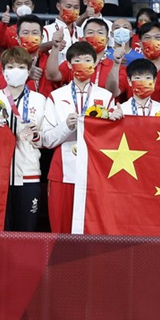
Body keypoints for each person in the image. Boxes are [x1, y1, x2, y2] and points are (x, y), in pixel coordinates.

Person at [42, 42, 115, 233]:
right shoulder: (56, 97)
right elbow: (47, 140)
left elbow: (112, 138)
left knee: (92, 229)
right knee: (62, 230)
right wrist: (67, 126)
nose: (82, 64)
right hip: (63, 170)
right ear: (68, 65)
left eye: (87, 60)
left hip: (96, 171)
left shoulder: (106, 97)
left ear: (96, 63)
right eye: (77, 60)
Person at [0, 47, 47, 231]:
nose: (15, 71)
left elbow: (46, 139)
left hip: (28, 174)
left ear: (28, 71)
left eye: (20, 67)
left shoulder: (39, 100)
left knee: (27, 230)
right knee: (0, 229)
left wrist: (35, 135)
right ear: (3, 71)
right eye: (10, 67)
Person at [108, 21, 160, 109]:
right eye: (147, 38)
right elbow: (112, 92)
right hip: (134, 119)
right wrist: (116, 64)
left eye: (157, 37)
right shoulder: (130, 69)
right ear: (140, 44)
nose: (152, 41)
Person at [46, 18, 125, 92]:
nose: (95, 36)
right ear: (83, 39)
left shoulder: (116, 67)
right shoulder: (74, 62)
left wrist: (116, 64)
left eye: (100, 33)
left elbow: (113, 92)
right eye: (90, 32)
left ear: (107, 40)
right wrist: (55, 47)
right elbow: (52, 76)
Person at [0, 15, 55, 97]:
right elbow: (0, 91)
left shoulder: (50, 63)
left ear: (42, 38)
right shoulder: (4, 64)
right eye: (25, 33)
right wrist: (25, 75)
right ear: (17, 38)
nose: (30, 36)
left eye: (35, 33)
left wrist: (56, 47)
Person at [42, 0, 82, 64]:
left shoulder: (82, 32)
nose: (72, 10)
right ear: (58, 6)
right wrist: (52, 44)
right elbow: (36, 50)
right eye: (68, 6)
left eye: (76, 7)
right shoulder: (46, 30)